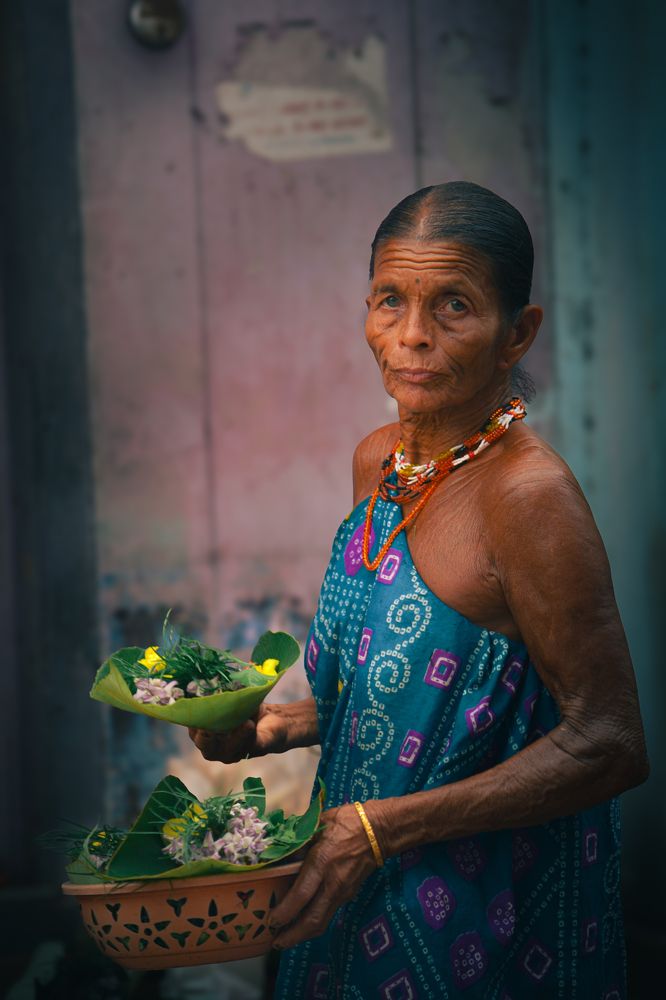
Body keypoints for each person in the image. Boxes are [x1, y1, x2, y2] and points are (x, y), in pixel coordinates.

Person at [189, 182, 648, 998]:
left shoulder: (528, 498)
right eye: (389, 300)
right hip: (352, 886)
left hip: (482, 914)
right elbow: (426, 697)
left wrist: (378, 831)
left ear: (517, 333)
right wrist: (273, 727)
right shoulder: (379, 463)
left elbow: (608, 741)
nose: (411, 336)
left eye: (453, 306)